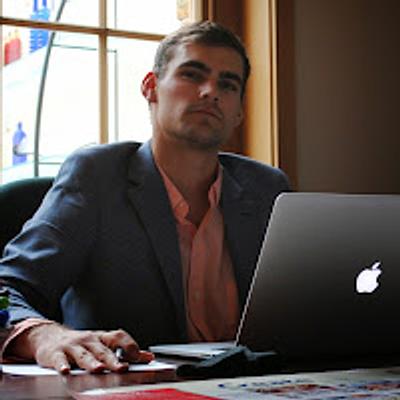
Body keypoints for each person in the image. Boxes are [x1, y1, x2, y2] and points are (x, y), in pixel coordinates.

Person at [0, 21, 290, 374]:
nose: (210, 92)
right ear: (151, 87)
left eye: (228, 84)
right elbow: (8, 287)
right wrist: (42, 334)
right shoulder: (97, 176)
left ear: (239, 111)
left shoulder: (267, 189)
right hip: (128, 385)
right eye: (192, 75)